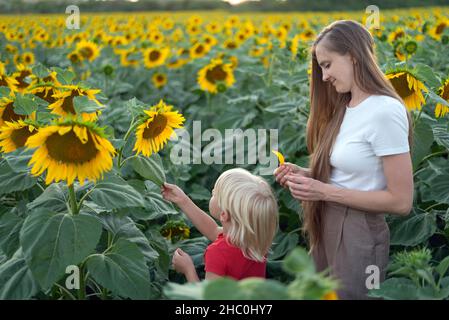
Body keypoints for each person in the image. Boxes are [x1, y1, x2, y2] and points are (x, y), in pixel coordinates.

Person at [274, 20, 414, 299]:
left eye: (327, 65)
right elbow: (351, 173)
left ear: (352, 55)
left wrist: (323, 191)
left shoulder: (384, 111)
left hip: (359, 231)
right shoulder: (347, 106)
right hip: (327, 221)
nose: (323, 76)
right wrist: (306, 175)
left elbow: (401, 202)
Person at [161, 168, 279, 282]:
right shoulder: (255, 239)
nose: (212, 192)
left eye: (216, 194)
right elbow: (212, 230)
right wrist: (183, 200)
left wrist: (188, 270)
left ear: (224, 214)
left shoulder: (217, 253)